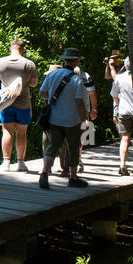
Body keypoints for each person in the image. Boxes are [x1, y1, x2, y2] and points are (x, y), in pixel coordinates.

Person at [38, 48, 90, 189]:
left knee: (53, 146)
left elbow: (42, 93)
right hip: (72, 120)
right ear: (76, 61)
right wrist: (84, 120)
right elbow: (79, 102)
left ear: (64, 60)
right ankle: (73, 178)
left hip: (54, 118)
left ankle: (44, 174)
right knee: (73, 147)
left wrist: (53, 100)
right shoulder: (77, 79)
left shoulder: (53, 75)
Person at [0, 38, 39, 172]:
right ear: (22, 50)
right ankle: (20, 163)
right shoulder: (29, 64)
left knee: (7, 131)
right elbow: (34, 83)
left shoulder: (0, 62)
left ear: (10, 49)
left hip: (6, 103)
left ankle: (6, 163)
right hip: (23, 103)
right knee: (21, 133)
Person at [111, 57, 133, 174]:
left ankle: (122, 165)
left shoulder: (118, 78)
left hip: (123, 111)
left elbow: (114, 94)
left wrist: (118, 106)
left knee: (125, 138)